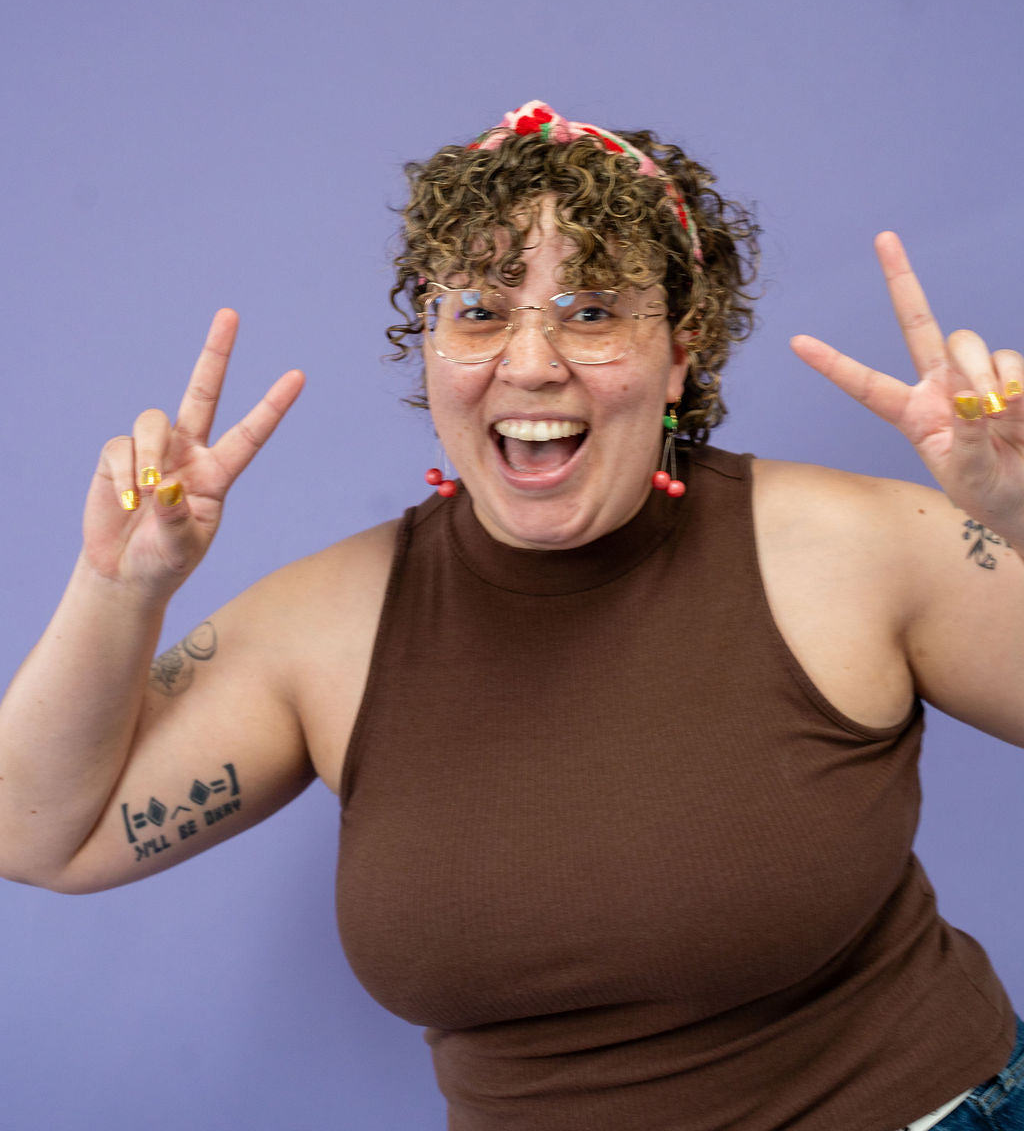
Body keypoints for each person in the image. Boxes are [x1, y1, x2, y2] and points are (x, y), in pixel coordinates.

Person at [1, 100, 1023, 1131]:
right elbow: (40, 836)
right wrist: (120, 586)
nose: (530, 363)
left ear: (680, 351)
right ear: (432, 349)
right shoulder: (329, 628)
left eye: (591, 311)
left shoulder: (854, 549)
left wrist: (1020, 516)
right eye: (481, 311)